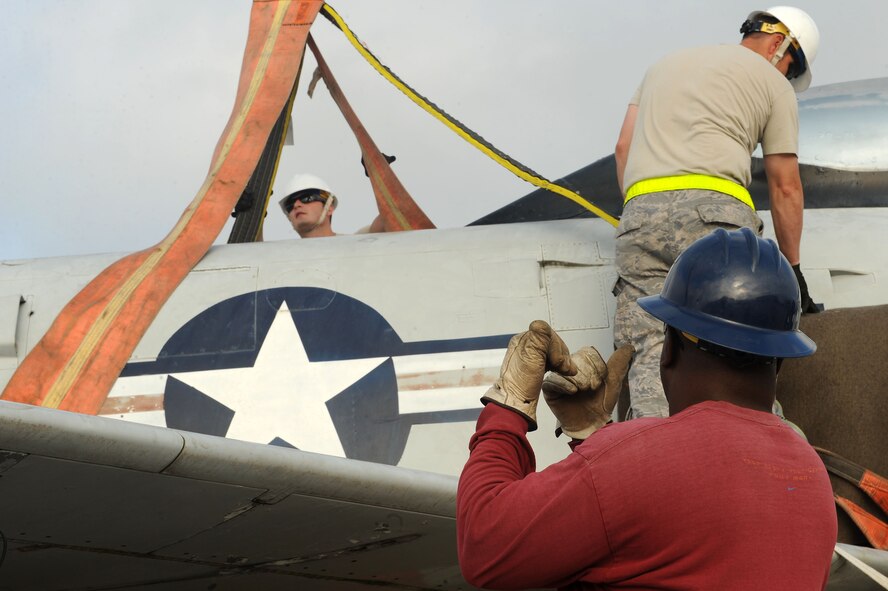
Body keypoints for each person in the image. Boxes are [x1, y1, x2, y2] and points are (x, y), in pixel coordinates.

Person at [457, 227, 837, 590]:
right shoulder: (811, 479)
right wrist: (593, 437)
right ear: (780, 360)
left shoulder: (638, 462)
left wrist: (509, 405)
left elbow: (483, 544)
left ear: (668, 349)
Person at [613, 6, 821, 418]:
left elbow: (623, 148)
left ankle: (654, 468)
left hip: (638, 215)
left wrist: (647, 213)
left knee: (651, 360)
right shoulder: (771, 84)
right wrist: (794, 269)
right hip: (715, 219)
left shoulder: (662, 66)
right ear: (779, 44)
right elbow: (785, 185)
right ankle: (758, 469)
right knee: (740, 357)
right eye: (793, 69)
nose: (788, 79)